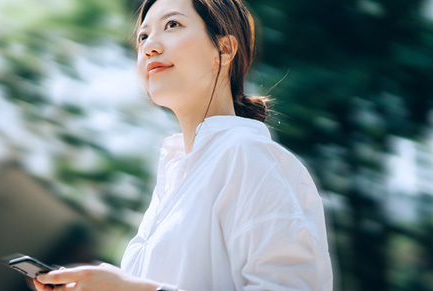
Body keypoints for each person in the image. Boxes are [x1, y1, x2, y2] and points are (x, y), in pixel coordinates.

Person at [34, 0, 333, 290]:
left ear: (224, 49)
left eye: (172, 24)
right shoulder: (176, 178)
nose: (149, 46)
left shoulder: (245, 154)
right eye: (143, 36)